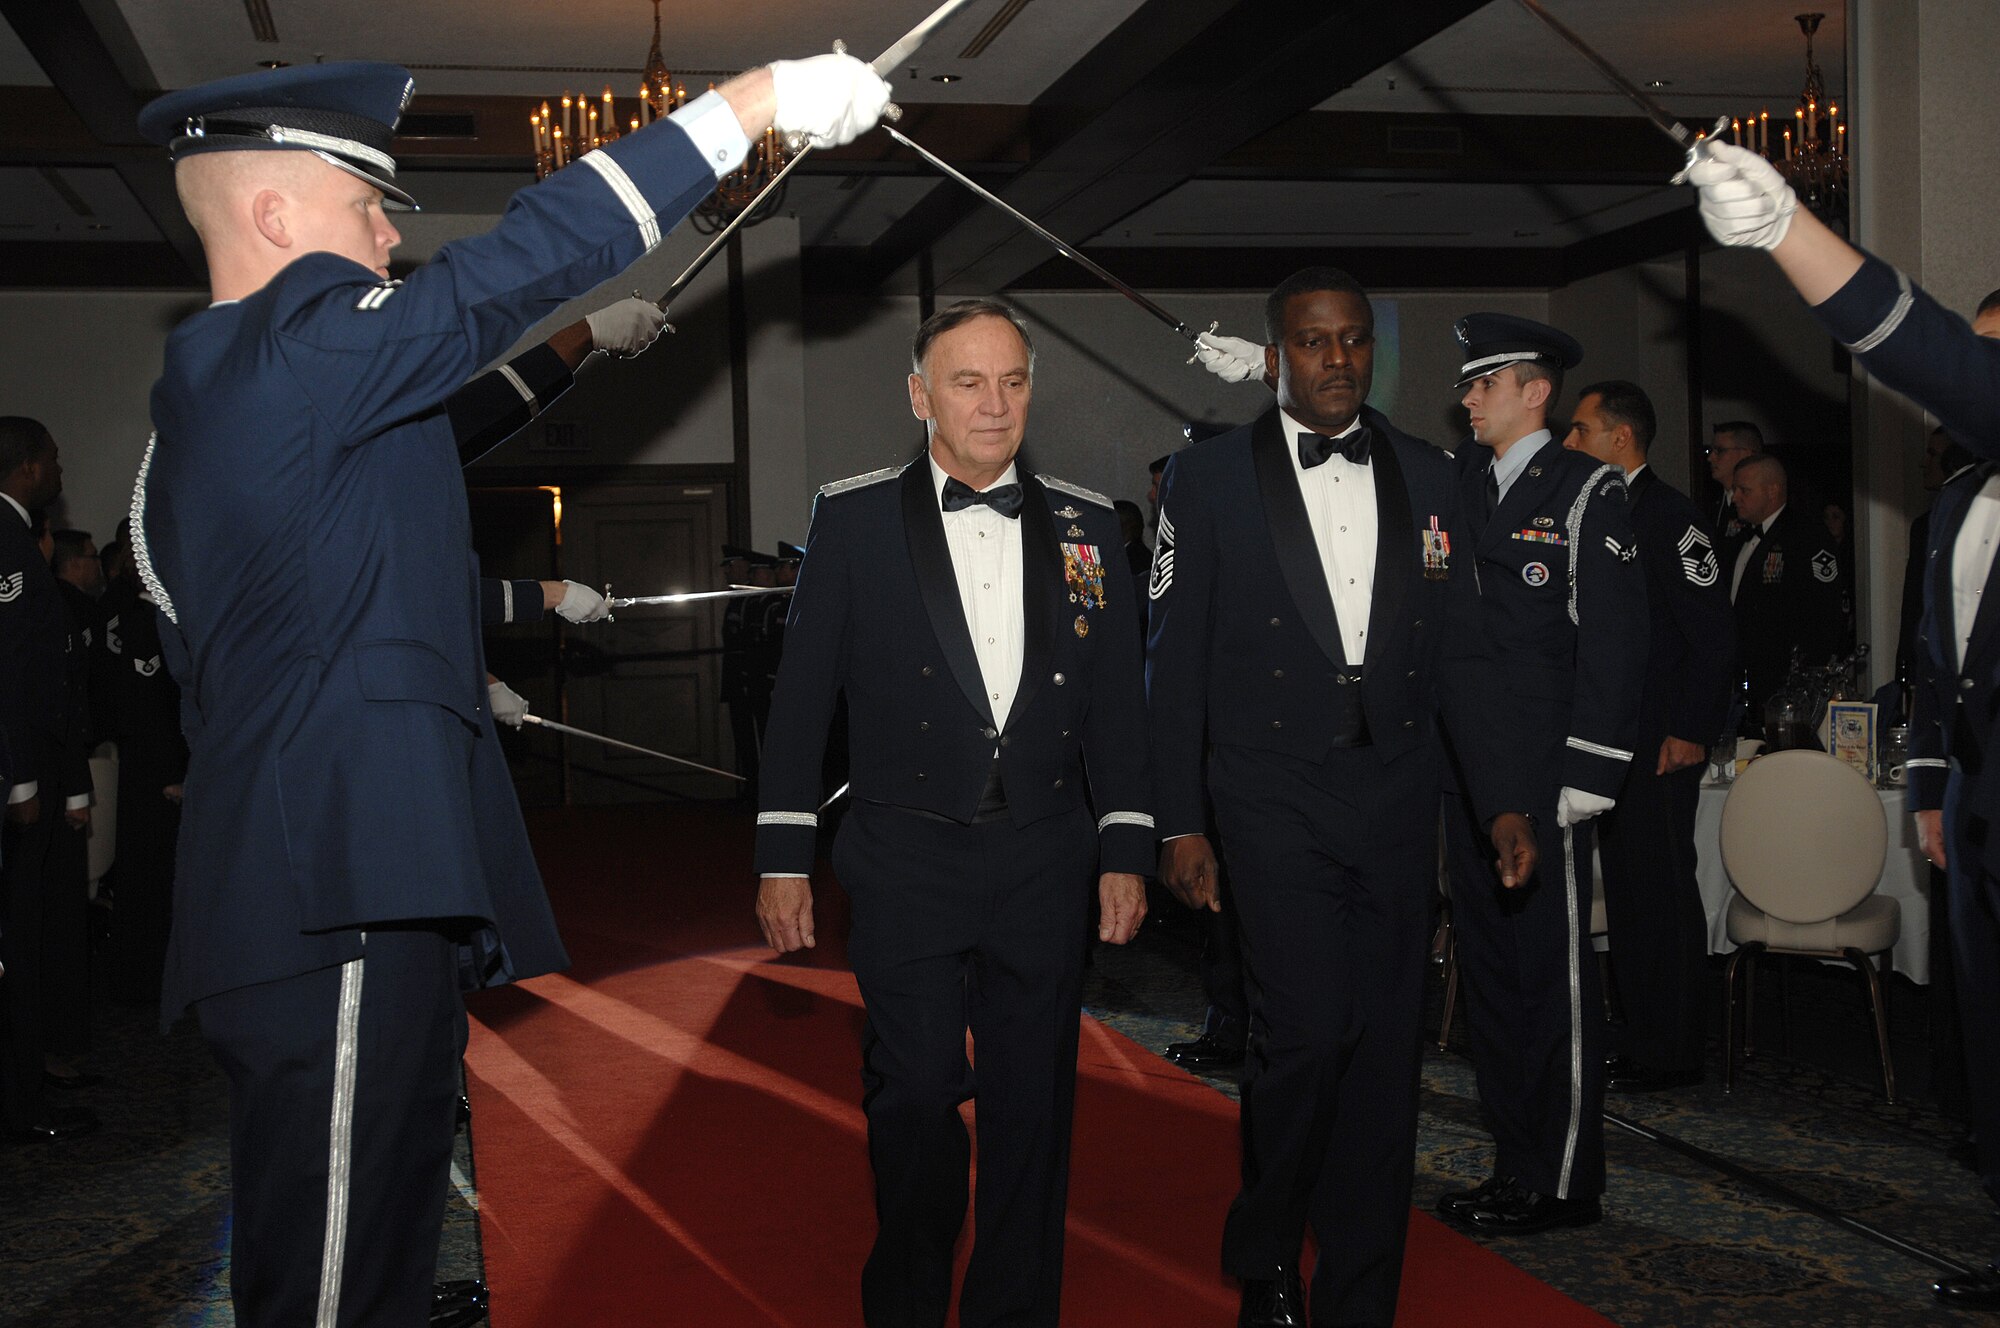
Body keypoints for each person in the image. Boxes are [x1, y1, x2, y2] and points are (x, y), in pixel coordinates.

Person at [131, 55, 890, 1328]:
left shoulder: (257, 389)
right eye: (367, 204)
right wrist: (750, 105)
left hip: (340, 873)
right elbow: (501, 272)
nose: (391, 235)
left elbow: (428, 437)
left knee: (369, 1235)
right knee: (327, 1275)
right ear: (274, 215)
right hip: (337, 877)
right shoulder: (281, 351)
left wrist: (583, 345)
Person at [753, 298, 1152, 1328]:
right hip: (905, 856)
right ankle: (907, 1296)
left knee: (1034, 1106)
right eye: (968, 381)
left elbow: (1116, 703)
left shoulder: (1086, 523)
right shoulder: (850, 518)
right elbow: (800, 700)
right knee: (917, 1091)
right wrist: (782, 855)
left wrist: (1125, 843)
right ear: (918, 394)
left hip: (1041, 857)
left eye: (1012, 380)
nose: (994, 402)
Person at [1166, 270, 1535, 1327]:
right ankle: (1269, 1247)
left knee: (1383, 1047)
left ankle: (1361, 1286)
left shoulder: (1430, 476)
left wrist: (1500, 797)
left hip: (1392, 793)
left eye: (1352, 341)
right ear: (1275, 354)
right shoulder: (1209, 480)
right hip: (1267, 793)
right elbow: (1173, 660)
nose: (1336, 359)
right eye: (1312, 341)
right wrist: (1177, 819)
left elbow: (1464, 651)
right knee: (1306, 1032)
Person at [1684, 139, 2000, 1308]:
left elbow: (1917, 352)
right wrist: (1925, 793)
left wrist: (1788, 237)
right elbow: (1939, 667)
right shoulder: (1962, 496)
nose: (1974, 383)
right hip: (1973, 807)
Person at [1434, 315, 1648, 1238]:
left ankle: (1565, 1181)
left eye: (1487, 382)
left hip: (1545, 782)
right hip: (1470, 781)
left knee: (1553, 987)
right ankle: (1515, 1164)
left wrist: (1589, 773)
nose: (1468, 397)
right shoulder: (1459, 486)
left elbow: (1616, 641)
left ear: (1537, 391)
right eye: (1469, 383)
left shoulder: (1585, 490)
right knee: (1491, 984)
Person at [1563, 380, 1735, 1092]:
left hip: (1664, 741)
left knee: (1662, 894)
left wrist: (1693, 730)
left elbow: (1713, 635)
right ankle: (1640, 1037)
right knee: (1631, 895)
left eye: (1580, 430)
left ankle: (1673, 1049)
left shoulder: (1667, 514)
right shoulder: (1599, 512)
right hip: (1616, 742)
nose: (1570, 442)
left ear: (1619, 438)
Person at [0, 419, 98, 1143]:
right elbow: (12, 669)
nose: (60, 472)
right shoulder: (6, 540)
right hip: (17, 769)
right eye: (55, 458)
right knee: (18, 940)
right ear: (29, 466)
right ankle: (19, 1101)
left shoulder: (16, 536)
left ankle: (30, 1082)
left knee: (34, 935)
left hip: (34, 761)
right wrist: (24, 780)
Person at [1725, 454, 1846, 732]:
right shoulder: (1739, 538)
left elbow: (1824, 617)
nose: (1735, 498)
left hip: (1784, 686)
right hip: (1742, 679)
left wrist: (1802, 683)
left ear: (1773, 491)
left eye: (1744, 490)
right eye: (1735, 490)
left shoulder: (1807, 537)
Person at [1707, 421, 1765, 541]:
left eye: (1720, 451)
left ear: (1746, 454)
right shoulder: (1711, 507)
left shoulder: (1762, 505)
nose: (1710, 458)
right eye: (1711, 451)